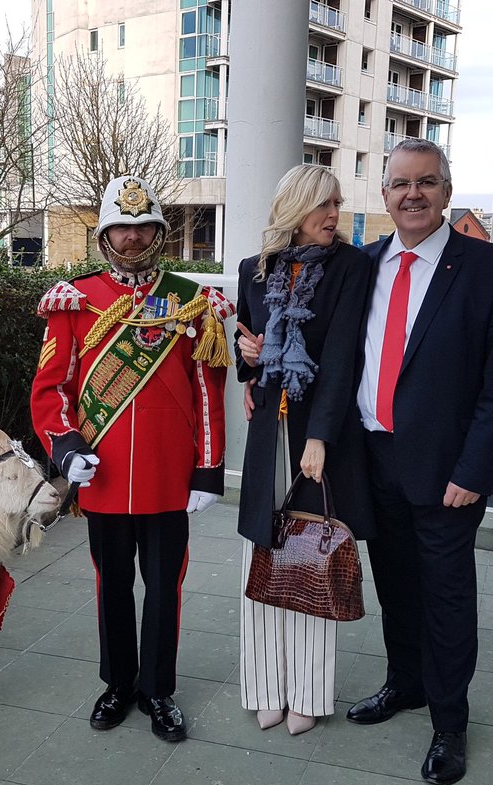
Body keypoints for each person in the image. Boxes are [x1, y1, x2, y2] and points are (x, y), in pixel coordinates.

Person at [346, 138, 493, 785]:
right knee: (394, 584)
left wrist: (473, 471)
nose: (412, 194)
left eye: (426, 182)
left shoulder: (492, 270)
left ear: (447, 192)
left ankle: (449, 722)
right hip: (373, 458)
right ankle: (405, 685)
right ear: (385, 194)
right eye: (400, 183)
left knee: (446, 598)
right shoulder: (360, 266)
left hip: (448, 472)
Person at [30, 174, 233, 742]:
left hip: (171, 480)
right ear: (104, 234)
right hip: (106, 476)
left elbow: (206, 393)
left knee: (165, 587)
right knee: (111, 584)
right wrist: (65, 448)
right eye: (123, 227)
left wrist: (208, 469)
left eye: (145, 227)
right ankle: (119, 682)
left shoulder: (190, 301)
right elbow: (52, 391)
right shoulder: (76, 300)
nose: (134, 238)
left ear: (160, 233)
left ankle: (158, 690)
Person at [234, 164, 375, 736]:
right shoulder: (252, 269)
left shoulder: (350, 267)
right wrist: (249, 359)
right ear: (294, 208)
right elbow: (247, 348)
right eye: (323, 205)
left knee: (310, 558)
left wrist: (319, 437)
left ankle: (309, 695)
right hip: (270, 427)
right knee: (263, 558)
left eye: (337, 204)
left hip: (318, 432)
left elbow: (341, 358)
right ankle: (265, 685)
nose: (333, 215)